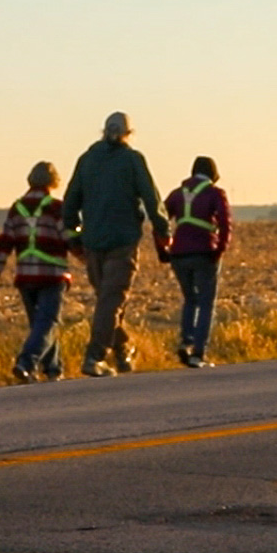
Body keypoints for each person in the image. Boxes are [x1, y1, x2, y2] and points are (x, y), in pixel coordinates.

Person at [61, 112, 169, 376]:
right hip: (123, 241)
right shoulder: (133, 160)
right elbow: (151, 199)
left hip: (93, 241)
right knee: (111, 302)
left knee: (108, 301)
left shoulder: (86, 160)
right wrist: (163, 229)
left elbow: (69, 203)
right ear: (128, 134)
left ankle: (123, 350)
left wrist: (74, 239)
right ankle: (95, 355)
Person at [0, 161, 74, 382]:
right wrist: (92, 262)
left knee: (40, 324)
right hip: (52, 276)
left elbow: (4, 244)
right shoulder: (56, 208)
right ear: (54, 182)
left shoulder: (18, 208)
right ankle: (26, 362)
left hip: (25, 277)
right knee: (48, 323)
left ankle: (53, 370)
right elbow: (71, 239)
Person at [163, 156, 232, 368]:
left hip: (179, 254)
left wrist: (163, 250)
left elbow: (160, 220)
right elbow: (225, 223)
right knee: (205, 303)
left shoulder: (177, 194)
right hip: (204, 252)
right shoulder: (215, 193)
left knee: (190, 299)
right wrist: (219, 250)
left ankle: (186, 341)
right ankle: (198, 354)